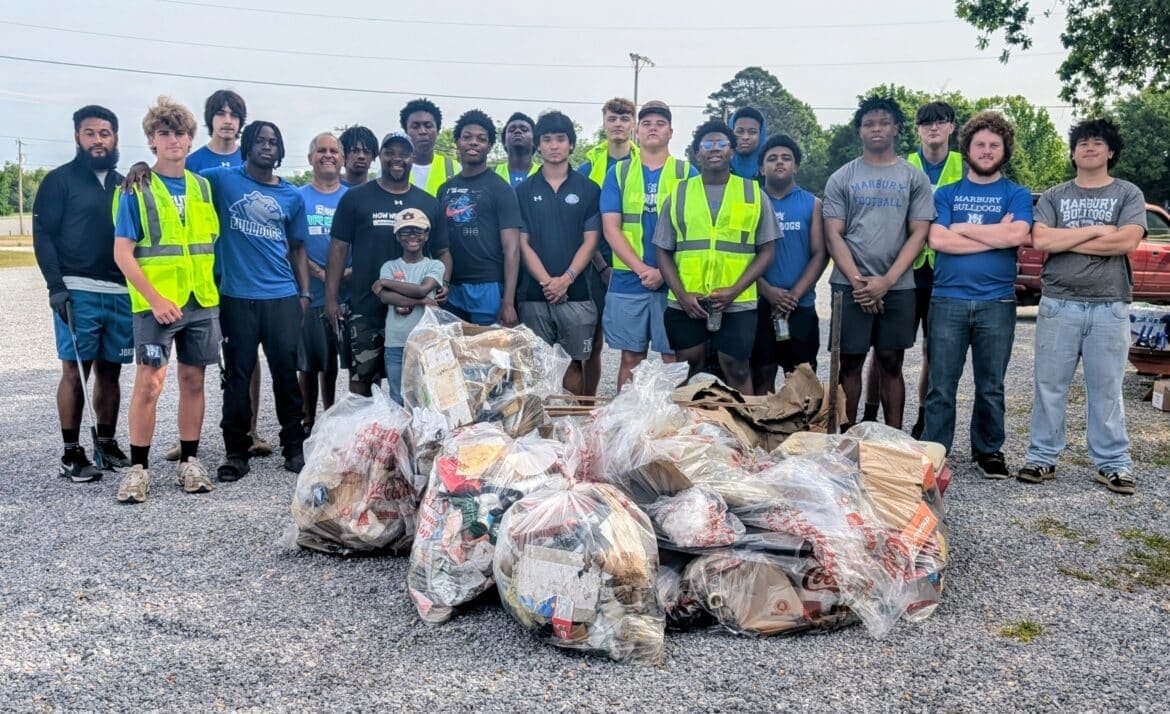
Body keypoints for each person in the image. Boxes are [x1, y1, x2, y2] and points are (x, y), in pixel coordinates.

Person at [1018, 118, 1147, 495]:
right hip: (1060, 304)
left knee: (1106, 388)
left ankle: (1113, 464)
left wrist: (1068, 240)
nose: (1089, 147)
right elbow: (1041, 239)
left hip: (1110, 305)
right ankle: (1042, 457)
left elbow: (1125, 243)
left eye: (1098, 142)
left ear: (1110, 152)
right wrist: (1098, 230)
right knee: (1049, 385)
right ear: (1073, 153)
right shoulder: (1055, 196)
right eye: (1083, 143)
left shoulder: (1128, 194)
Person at [110, 96, 220, 503]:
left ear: (191, 140)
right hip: (156, 304)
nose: (173, 139)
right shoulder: (135, 189)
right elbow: (123, 253)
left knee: (194, 380)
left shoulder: (203, 187)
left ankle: (189, 460)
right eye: (164, 133)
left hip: (200, 301)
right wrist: (155, 299)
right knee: (150, 383)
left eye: (180, 132)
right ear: (152, 141)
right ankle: (138, 468)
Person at [921, 111, 1033, 479]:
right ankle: (935, 451)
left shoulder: (1015, 193)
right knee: (941, 384)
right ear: (967, 148)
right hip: (948, 299)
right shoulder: (947, 193)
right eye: (980, 144)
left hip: (997, 302)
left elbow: (1017, 236)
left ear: (1005, 150)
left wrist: (964, 228)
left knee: (991, 385)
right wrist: (992, 235)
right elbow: (937, 240)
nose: (986, 151)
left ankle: (988, 451)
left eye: (994, 145)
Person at [202, 120, 311, 480]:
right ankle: (236, 451)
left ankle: (293, 448)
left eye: (274, 142)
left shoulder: (291, 196)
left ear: (280, 151)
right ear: (247, 145)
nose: (267, 146)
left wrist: (304, 293)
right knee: (237, 376)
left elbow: (297, 248)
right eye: (260, 140)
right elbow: (177, 173)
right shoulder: (223, 180)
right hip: (237, 297)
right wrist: (143, 168)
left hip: (281, 296)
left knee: (285, 375)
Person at [822, 96, 935, 431]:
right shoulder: (842, 177)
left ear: (896, 128)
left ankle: (892, 437)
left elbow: (919, 234)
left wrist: (886, 281)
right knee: (850, 364)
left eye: (883, 122)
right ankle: (846, 435)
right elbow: (833, 234)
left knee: (890, 361)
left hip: (898, 287)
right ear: (859, 131)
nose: (876, 129)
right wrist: (859, 282)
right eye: (869, 123)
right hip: (849, 287)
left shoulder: (914, 178)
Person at [32, 104, 132, 482]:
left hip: (119, 291)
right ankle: (71, 452)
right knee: (76, 370)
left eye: (104, 134)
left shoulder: (125, 185)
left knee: (111, 372)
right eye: (90, 133)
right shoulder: (60, 181)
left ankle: (105, 443)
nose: (97, 141)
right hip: (77, 288)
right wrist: (56, 286)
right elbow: (43, 236)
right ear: (77, 136)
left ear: (115, 138)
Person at [654, 120, 779, 394]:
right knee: (690, 367)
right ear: (697, 152)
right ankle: (693, 433)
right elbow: (662, 249)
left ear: (732, 152)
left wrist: (734, 290)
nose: (715, 149)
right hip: (687, 301)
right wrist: (682, 294)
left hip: (738, 302)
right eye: (707, 144)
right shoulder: (679, 194)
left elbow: (767, 250)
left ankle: (740, 430)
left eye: (722, 144)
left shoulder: (753, 194)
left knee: (735, 365)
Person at [865, 101, 964, 435]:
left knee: (933, 350)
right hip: (902, 267)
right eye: (926, 123)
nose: (933, 128)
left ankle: (923, 418)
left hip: (946, 269)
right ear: (917, 129)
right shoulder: (901, 166)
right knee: (884, 348)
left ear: (952, 127)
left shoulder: (964, 166)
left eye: (940, 122)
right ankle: (869, 413)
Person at [326, 131, 448, 396]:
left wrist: (443, 282)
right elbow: (338, 248)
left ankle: (409, 435)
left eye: (403, 153)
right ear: (380, 156)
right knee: (362, 377)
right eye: (390, 152)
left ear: (412, 158)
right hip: (366, 307)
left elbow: (443, 251)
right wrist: (331, 299)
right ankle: (365, 433)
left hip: (413, 312)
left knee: (413, 381)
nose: (397, 159)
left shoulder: (427, 202)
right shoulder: (356, 198)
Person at [600, 100, 695, 389]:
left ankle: (674, 427)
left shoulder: (687, 173)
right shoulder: (619, 173)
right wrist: (643, 269)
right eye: (647, 123)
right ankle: (623, 424)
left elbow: (692, 233)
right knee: (630, 358)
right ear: (637, 132)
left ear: (671, 132)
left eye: (660, 124)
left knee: (673, 358)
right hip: (630, 280)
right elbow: (611, 229)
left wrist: (663, 273)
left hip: (673, 283)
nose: (653, 128)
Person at [516, 110, 602, 395]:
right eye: (547, 139)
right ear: (538, 145)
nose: (554, 145)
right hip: (533, 294)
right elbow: (522, 241)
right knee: (536, 367)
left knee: (576, 363)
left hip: (577, 294)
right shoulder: (524, 191)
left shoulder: (589, 189)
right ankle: (539, 432)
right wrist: (547, 283)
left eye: (561, 139)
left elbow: (590, 240)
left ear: (571, 144)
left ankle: (571, 429)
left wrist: (566, 279)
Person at [750, 134, 827, 394]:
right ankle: (764, 434)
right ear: (761, 168)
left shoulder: (813, 204)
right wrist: (768, 291)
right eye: (771, 159)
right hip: (760, 304)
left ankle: (801, 434)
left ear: (795, 166)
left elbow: (819, 254)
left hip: (800, 305)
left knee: (802, 382)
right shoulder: (750, 202)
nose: (779, 163)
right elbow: (743, 255)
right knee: (761, 376)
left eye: (786, 158)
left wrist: (793, 295)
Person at [434, 110, 523, 327]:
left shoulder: (500, 189)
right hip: (450, 287)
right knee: (453, 356)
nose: (473, 143)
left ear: (490, 146)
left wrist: (508, 302)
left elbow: (512, 248)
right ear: (457, 142)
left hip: (487, 286)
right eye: (467, 137)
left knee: (486, 356)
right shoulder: (444, 189)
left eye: (481, 139)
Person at [580, 98, 640, 394]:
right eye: (612, 118)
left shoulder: (648, 164)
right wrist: (601, 267)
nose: (618, 124)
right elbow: (579, 223)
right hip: (594, 266)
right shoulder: (587, 167)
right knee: (591, 342)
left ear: (634, 124)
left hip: (634, 267)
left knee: (634, 349)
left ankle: (628, 414)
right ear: (604, 122)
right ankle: (587, 409)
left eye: (625, 118)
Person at [298, 133, 348, 433]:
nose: (327, 155)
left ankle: (330, 417)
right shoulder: (298, 197)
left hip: (347, 292)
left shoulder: (351, 196)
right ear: (310, 158)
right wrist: (319, 273)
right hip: (311, 292)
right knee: (309, 362)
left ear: (341, 159)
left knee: (332, 363)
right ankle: (307, 419)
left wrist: (345, 274)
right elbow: (292, 245)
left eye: (333, 151)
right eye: (320, 151)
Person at [373, 208, 445, 404]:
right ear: (397, 236)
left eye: (418, 231)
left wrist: (386, 283)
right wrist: (421, 301)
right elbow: (387, 298)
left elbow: (423, 288)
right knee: (398, 395)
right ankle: (404, 435)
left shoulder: (435, 266)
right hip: (396, 342)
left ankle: (425, 434)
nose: (412, 236)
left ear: (426, 235)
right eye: (405, 231)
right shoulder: (389, 266)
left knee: (427, 395)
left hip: (426, 341)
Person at [400, 98, 459, 196]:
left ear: (438, 130)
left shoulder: (454, 169)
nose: (422, 131)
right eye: (415, 126)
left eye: (428, 126)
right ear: (406, 132)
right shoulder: (393, 168)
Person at [185, 89, 246, 173]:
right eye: (221, 114)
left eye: (234, 115)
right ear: (210, 117)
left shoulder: (249, 161)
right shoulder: (191, 163)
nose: (228, 121)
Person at [496, 112, 539, 186]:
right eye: (512, 130)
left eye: (524, 129)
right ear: (504, 142)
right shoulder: (494, 173)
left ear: (534, 141)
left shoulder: (544, 174)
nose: (517, 131)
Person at [729, 107, 767, 181]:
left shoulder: (770, 171)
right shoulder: (718, 169)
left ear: (761, 135)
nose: (745, 137)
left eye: (752, 132)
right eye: (739, 132)